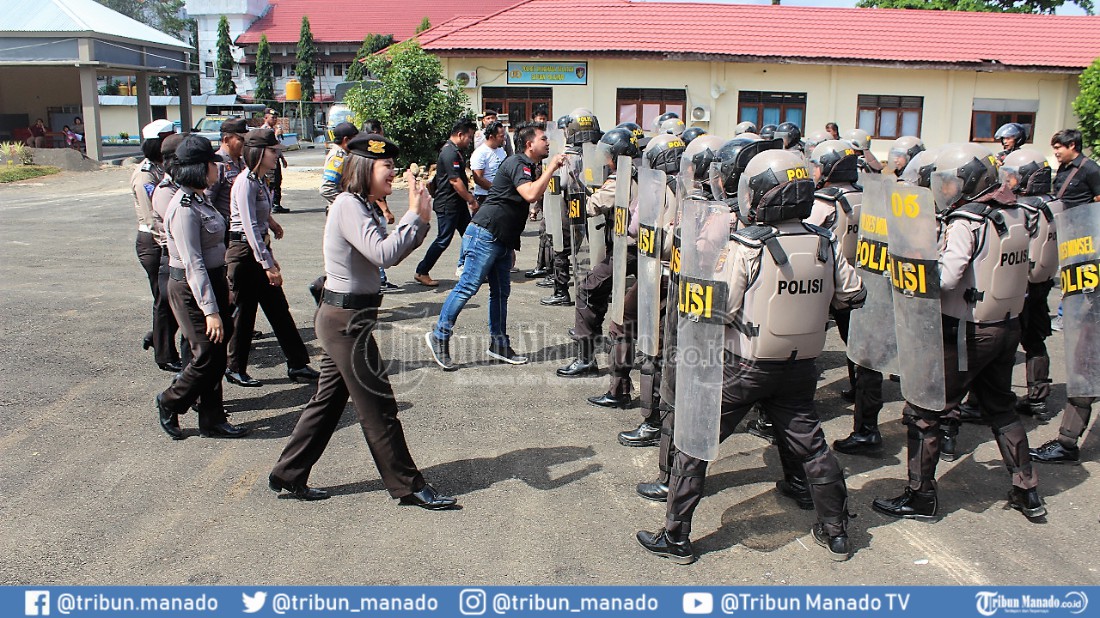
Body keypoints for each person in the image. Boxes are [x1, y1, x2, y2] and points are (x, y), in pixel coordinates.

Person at [636, 149, 866, 564]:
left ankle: (675, 537)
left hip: (743, 367)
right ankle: (836, 532)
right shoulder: (825, 241)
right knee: (813, 448)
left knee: (695, 442)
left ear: (762, 195)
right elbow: (853, 294)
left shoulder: (747, 247)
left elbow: (716, 309)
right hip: (799, 368)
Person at [270, 133, 456, 509]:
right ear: (366, 167)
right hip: (345, 320)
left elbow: (386, 254)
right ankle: (408, 485)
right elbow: (383, 253)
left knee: (327, 402)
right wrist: (415, 217)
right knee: (379, 405)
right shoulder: (348, 205)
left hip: (350, 316)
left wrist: (417, 220)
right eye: (387, 166)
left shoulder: (363, 205)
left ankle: (287, 473)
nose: (394, 173)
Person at [872, 143, 1044, 521]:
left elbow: (945, 279)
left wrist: (904, 270)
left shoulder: (967, 221)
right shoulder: (1016, 212)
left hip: (965, 331)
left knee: (924, 411)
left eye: (953, 183)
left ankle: (920, 497)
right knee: (1000, 408)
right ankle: (1027, 489)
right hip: (1006, 325)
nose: (946, 190)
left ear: (972, 183)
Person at [425, 123, 568, 370]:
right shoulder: (517, 163)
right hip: (485, 235)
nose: (547, 143)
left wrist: (514, 239)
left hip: (502, 239)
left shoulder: (530, 165)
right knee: (467, 287)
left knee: (500, 293)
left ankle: (499, 344)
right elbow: (530, 194)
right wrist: (553, 167)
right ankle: (440, 334)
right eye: (543, 139)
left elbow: (523, 201)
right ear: (529, 144)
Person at [156, 135, 249, 440]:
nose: (218, 170)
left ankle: (212, 420)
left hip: (211, 281)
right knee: (208, 354)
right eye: (213, 164)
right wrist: (210, 311)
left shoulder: (199, 198)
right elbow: (193, 263)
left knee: (218, 354)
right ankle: (170, 400)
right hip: (191, 288)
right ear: (199, 168)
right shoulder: (182, 208)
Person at [223, 128, 320, 388]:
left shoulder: (259, 180)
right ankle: (234, 368)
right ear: (258, 152)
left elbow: (260, 216)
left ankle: (298, 364)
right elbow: (248, 226)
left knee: (279, 309)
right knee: (244, 314)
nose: (276, 155)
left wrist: (272, 223)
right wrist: (267, 264)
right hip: (244, 255)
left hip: (258, 250)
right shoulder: (244, 181)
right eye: (272, 151)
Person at [1029, 129, 1100, 465]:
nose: (1055, 151)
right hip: (1084, 279)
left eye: (1060, 146)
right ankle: (1068, 441)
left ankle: (1068, 443)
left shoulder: (1090, 171)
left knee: (1086, 366)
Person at [556, 127, 640, 386]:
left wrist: (575, 183)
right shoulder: (639, 174)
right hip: (641, 250)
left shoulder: (621, 180)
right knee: (603, 293)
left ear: (617, 155)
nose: (604, 159)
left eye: (608, 154)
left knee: (587, 290)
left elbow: (590, 207)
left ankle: (585, 358)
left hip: (628, 249)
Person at [134, 119, 179, 371]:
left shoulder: (164, 168)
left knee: (170, 300)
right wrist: (168, 244)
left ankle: (156, 337)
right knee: (163, 300)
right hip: (154, 242)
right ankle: (165, 355)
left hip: (164, 240)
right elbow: (153, 218)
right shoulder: (145, 175)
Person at [415, 120, 478, 287]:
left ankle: (474, 270)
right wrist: (471, 199)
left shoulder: (455, 151)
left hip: (457, 204)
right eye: (469, 137)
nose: (470, 141)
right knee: (443, 239)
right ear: (460, 134)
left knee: (470, 235)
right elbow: (455, 181)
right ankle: (422, 271)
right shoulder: (449, 152)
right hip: (448, 204)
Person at [204, 118, 251, 225]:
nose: (245, 144)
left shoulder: (243, 162)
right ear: (226, 140)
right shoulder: (217, 165)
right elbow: (208, 200)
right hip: (225, 225)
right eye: (241, 139)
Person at [262, 108, 290, 213]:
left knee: (278, 181)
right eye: (272, 117)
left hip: (276, 159)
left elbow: (277, 147)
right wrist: (276, 135)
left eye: (275, 118)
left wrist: (282, 158)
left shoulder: (273, 129)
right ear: (265, 118)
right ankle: (271, 204)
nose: (274, 120)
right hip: (268, 160)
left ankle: (277, 204)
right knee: (271, 182)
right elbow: (270, 145)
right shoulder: (264, 130)